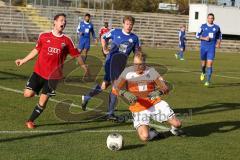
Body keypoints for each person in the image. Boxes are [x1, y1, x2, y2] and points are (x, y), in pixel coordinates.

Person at [15, 13, 88, 129]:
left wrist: (84, 67)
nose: (63, 23)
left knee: (42, 102)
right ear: (55, 22)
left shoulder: (67, 40)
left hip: (53, 77)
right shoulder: (44, 36)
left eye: (65, 21)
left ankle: (30, 120)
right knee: (27, 94)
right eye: (61, 20)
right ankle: (36, 89)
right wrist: (23, 60)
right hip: (38, 72)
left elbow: (76, 55)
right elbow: (36, 50)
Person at [81, 15, 141, 120]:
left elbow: (137, 54)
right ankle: (110, 114)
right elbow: (103, 37)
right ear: (123, 24)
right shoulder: (115, 32)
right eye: (127, 24)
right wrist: (104, 48)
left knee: (104, 86)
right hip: (111, 62)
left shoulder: (134, 38)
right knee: (116, 87)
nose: (129, 26)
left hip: (121, 65)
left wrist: (138, 65)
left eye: (131, 24)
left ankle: (86, 97)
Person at [116, 53, 184, 142]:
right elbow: (115, 88)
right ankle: (154, 133)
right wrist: (124, 93)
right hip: (138, 107)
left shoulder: (151, 72)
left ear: (144, 64)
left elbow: (165, 87)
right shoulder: (127, 72)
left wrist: (159, 91)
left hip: (154, 103)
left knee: (177, 124)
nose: (137, 67)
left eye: (140, 64)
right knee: (145, 137)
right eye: (135, 64)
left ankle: (174, 130)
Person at [196, 13, 222, 87]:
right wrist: (204, 38)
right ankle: (203, 72)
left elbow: (219, 36)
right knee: (203, 64)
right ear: (207, 19)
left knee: (209, 64)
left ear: (213, 19)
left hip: (211, 48)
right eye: (209, 18)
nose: (210, 19)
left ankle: (207, 81)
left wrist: (218, 43)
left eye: (212, 18)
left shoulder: (217, 27)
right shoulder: (203, 26)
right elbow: (197, 35)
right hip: (203, 48)